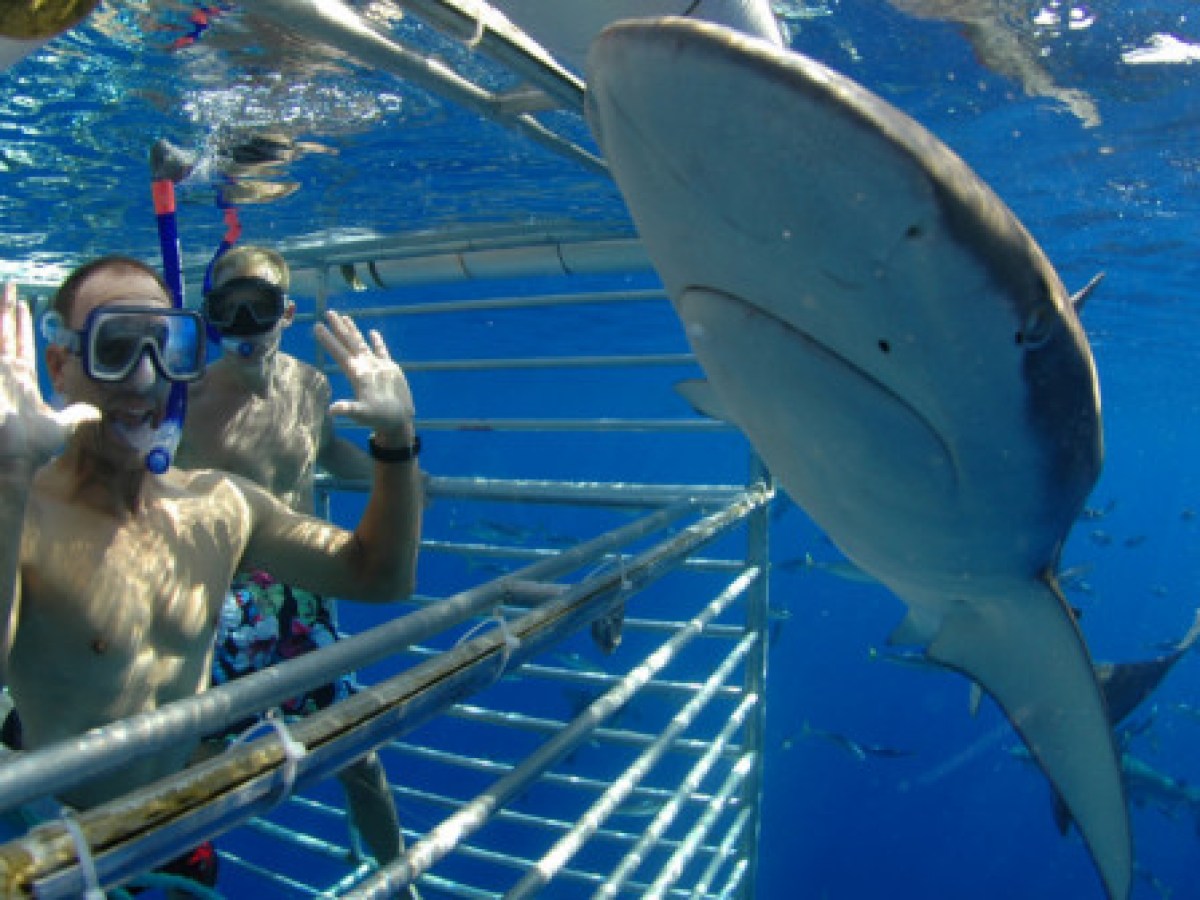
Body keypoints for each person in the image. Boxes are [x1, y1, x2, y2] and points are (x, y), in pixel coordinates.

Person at [0, 256, 422, 890]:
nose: (145, 376)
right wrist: (8, 475)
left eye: (167, 345)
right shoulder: (24, 514)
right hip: (56, 849)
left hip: (177, 829)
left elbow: (380, 577)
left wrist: (397, 438)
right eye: (116, 348)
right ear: (60, 368)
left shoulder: (221, 504)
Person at [175, 245, 406, 867]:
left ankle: (398, 880)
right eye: (232, 306)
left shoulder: (311, 384)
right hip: (219, 601)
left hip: (305, 594)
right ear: (211, 315)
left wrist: (408, 475)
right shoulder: (185, 400)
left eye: (262, 305)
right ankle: (164, 868)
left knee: (358, 751)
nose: (247, 320)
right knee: (190, 768)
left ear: (288, 312)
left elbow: (328, 455)